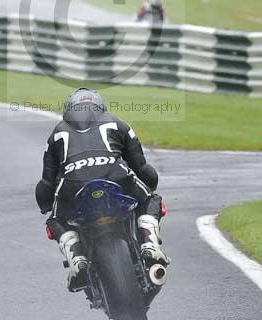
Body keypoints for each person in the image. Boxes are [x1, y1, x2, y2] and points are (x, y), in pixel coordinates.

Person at [35, 87, 169, 291]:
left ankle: (77, 258)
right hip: (116, 175)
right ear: (100, 106)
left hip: (73, 184)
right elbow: (141, 167)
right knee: (150, 199)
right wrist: (150, 184)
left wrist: (45, 204)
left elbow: (46, 183)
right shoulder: (118, 123)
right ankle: (149, 242)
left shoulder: (57, 133)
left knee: (55, 219)